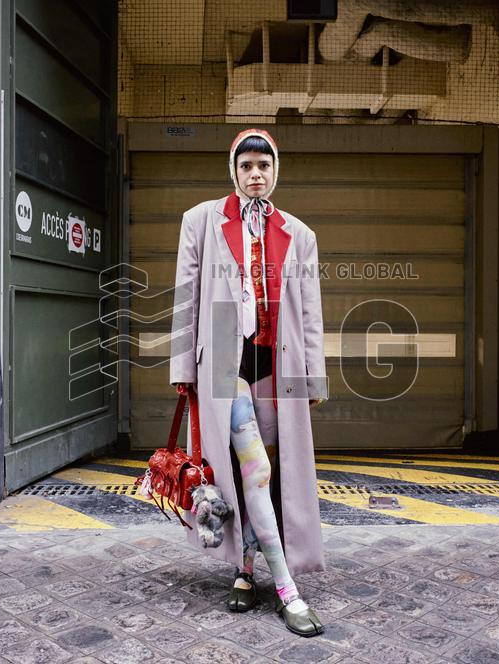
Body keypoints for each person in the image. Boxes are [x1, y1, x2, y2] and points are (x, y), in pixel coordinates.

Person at [169, 128, 329, 636]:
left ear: (275, 171)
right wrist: (181, 368)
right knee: (255, 469)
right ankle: (287, 590)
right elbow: (186, 295)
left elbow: (309, 310)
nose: (255, 174)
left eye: (263, 166)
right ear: (233, 171)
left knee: (265, 475)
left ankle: (244, 570)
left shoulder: (298, 233)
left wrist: (314, 374)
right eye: (246, 166)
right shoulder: (201, 221)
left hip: (277, 366)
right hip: (222, 360)